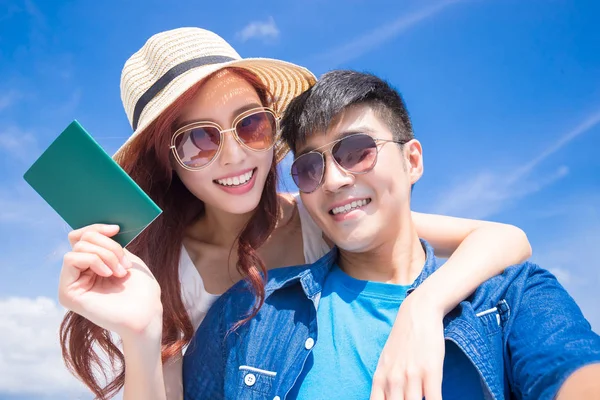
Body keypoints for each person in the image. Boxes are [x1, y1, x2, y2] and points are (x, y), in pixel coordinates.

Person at [57, 29, 532, 400]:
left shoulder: (317, 216)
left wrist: (423, 306)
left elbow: (505, 238)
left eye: (251, 125)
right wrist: (141, 336)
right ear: (168, 161)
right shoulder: (159, 268)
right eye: (199, 139)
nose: (234, 155)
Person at [182, 70, 600, 400]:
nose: (334, 180)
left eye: (357, 151)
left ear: (412, 160)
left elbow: (573, 370)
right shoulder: (247, 310)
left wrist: (423, 304)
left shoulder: (507, 298)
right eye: (310, 167)